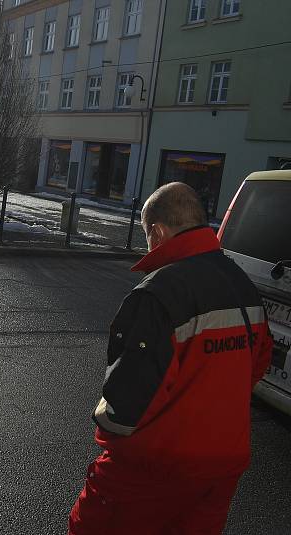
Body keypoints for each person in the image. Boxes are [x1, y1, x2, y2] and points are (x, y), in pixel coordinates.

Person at [68, 182, 274, 535]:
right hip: (223, 465)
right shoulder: (242, 285)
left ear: (158, 232)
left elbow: (131, 396)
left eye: (148, 236)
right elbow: (256, 363)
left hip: (155, 467)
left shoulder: (159, 293)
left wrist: (111, 435)